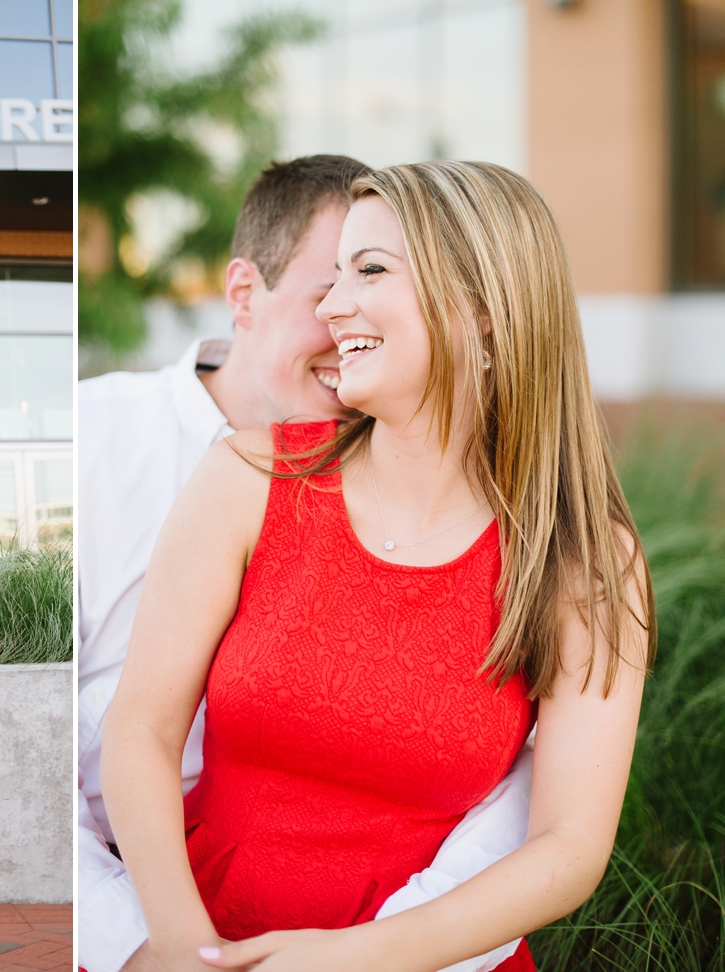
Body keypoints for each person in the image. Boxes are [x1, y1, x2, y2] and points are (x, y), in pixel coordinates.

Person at [100, 161, 654, 971]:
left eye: (369, 271)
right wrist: (188, 950)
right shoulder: (249, 480)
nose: (332, 307)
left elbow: (569, 846)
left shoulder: (586, 559)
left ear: (483, 308)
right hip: (210, 939)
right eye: (330, 279)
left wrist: (353, 959)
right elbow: (140, 731)